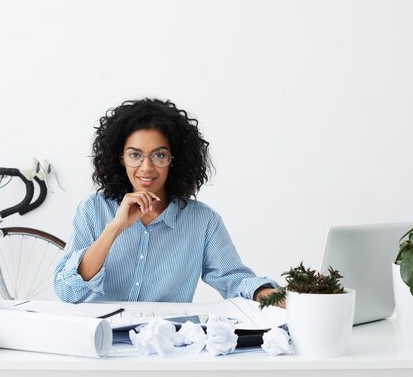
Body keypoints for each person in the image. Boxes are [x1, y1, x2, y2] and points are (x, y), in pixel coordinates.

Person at [53, 99, 279, 304]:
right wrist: (115, 228)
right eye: (135, 155)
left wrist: (280, 299)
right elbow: (68, 292)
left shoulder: (203, 220)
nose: (146, 167)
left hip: (168, 342)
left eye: (159, 155)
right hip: (102, 340)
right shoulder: (93, 209)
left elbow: (234, 280)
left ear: (173, 161)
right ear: (120, 159)